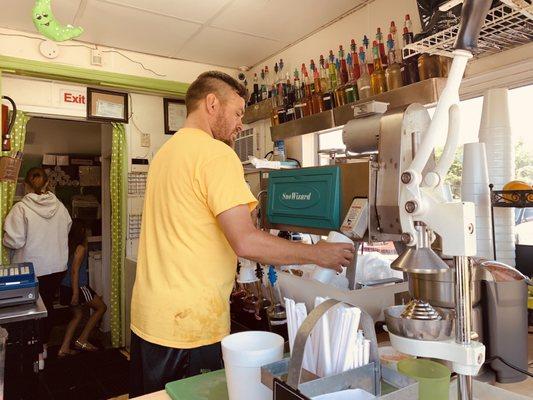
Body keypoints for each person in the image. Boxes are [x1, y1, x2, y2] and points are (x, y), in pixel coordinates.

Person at [129, 71, 355, 396]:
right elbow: (246, 241)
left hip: (152, 318)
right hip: (190, 325)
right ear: (211, 103)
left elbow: (203, 221)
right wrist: (320, 253)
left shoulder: (167, 153)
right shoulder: (215, 155)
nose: (239, 124)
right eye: (237, 113)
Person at [3, 167, 72, 366]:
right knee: (47, 307)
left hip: (31, 271)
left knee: (27, 314)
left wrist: (5, 239)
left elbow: (15, 241)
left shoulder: (21, 208)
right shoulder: (59, 206)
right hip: (56, 267)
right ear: (47, 184)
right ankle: (42, 349)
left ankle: (32, 355)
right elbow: (66, 227)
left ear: (25, 185)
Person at [58, 218, 107, 357]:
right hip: (78, 287)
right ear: (82, 231)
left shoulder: (68, 246)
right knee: (102, 307)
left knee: (77, 315)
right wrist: (75, 293)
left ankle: (64, 348)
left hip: (66, 286)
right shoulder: (81, 248)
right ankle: (82, 339)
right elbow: (74, 271)